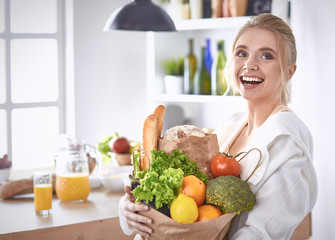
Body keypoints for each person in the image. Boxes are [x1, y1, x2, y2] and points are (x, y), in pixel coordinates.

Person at [118, 13, 318, 239]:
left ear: (289, 71)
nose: (249, 65)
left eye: (266, 56)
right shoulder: (229, 126)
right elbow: (182, 197)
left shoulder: (286, 141)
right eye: (242, 53)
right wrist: (131, 211)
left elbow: (260, 233)